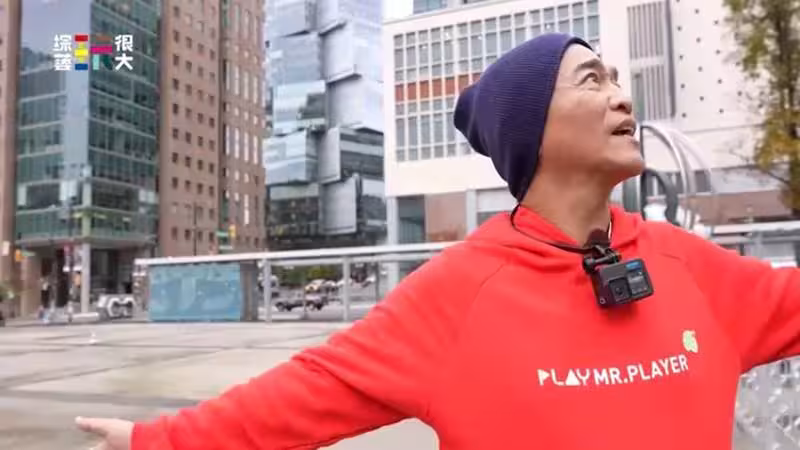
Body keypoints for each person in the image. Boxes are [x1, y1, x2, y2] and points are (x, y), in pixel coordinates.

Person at [76, 33, 800, 449]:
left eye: (615, 79)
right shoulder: (458, 294)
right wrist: (151, 441)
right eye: (591, 80)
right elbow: (293, 398)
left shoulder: (686, 264)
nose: (622, 95)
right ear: (531, 129)